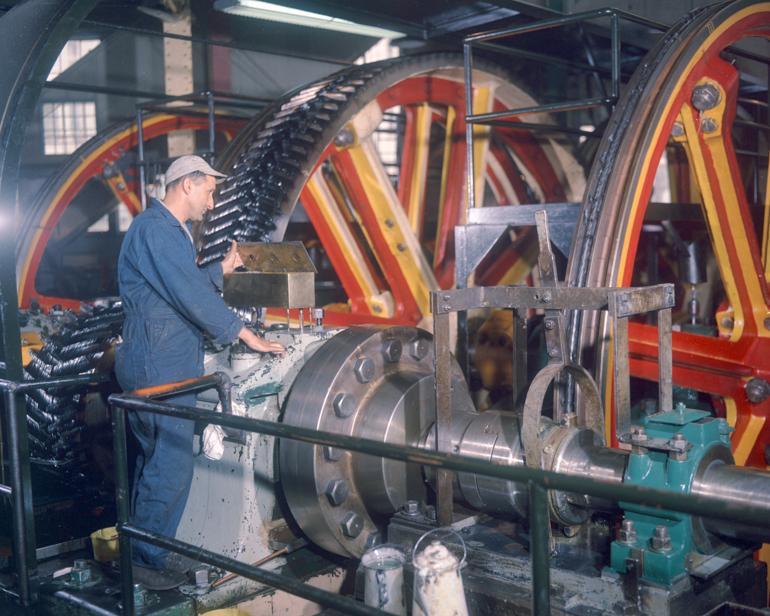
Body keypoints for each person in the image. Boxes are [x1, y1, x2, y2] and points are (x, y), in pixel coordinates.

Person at [115, 155, 283, 590]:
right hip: (159, 362)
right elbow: (187, 294)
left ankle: (141, 549)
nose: (212, 202)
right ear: (187, 185)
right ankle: (149, 561)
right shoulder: (157, 229)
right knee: (170, 464)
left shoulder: (169, 232)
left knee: (154, 461)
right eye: (209, 191)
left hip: (158, 356)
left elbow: (174, 286)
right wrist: (245, 334)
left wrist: (219, 271)